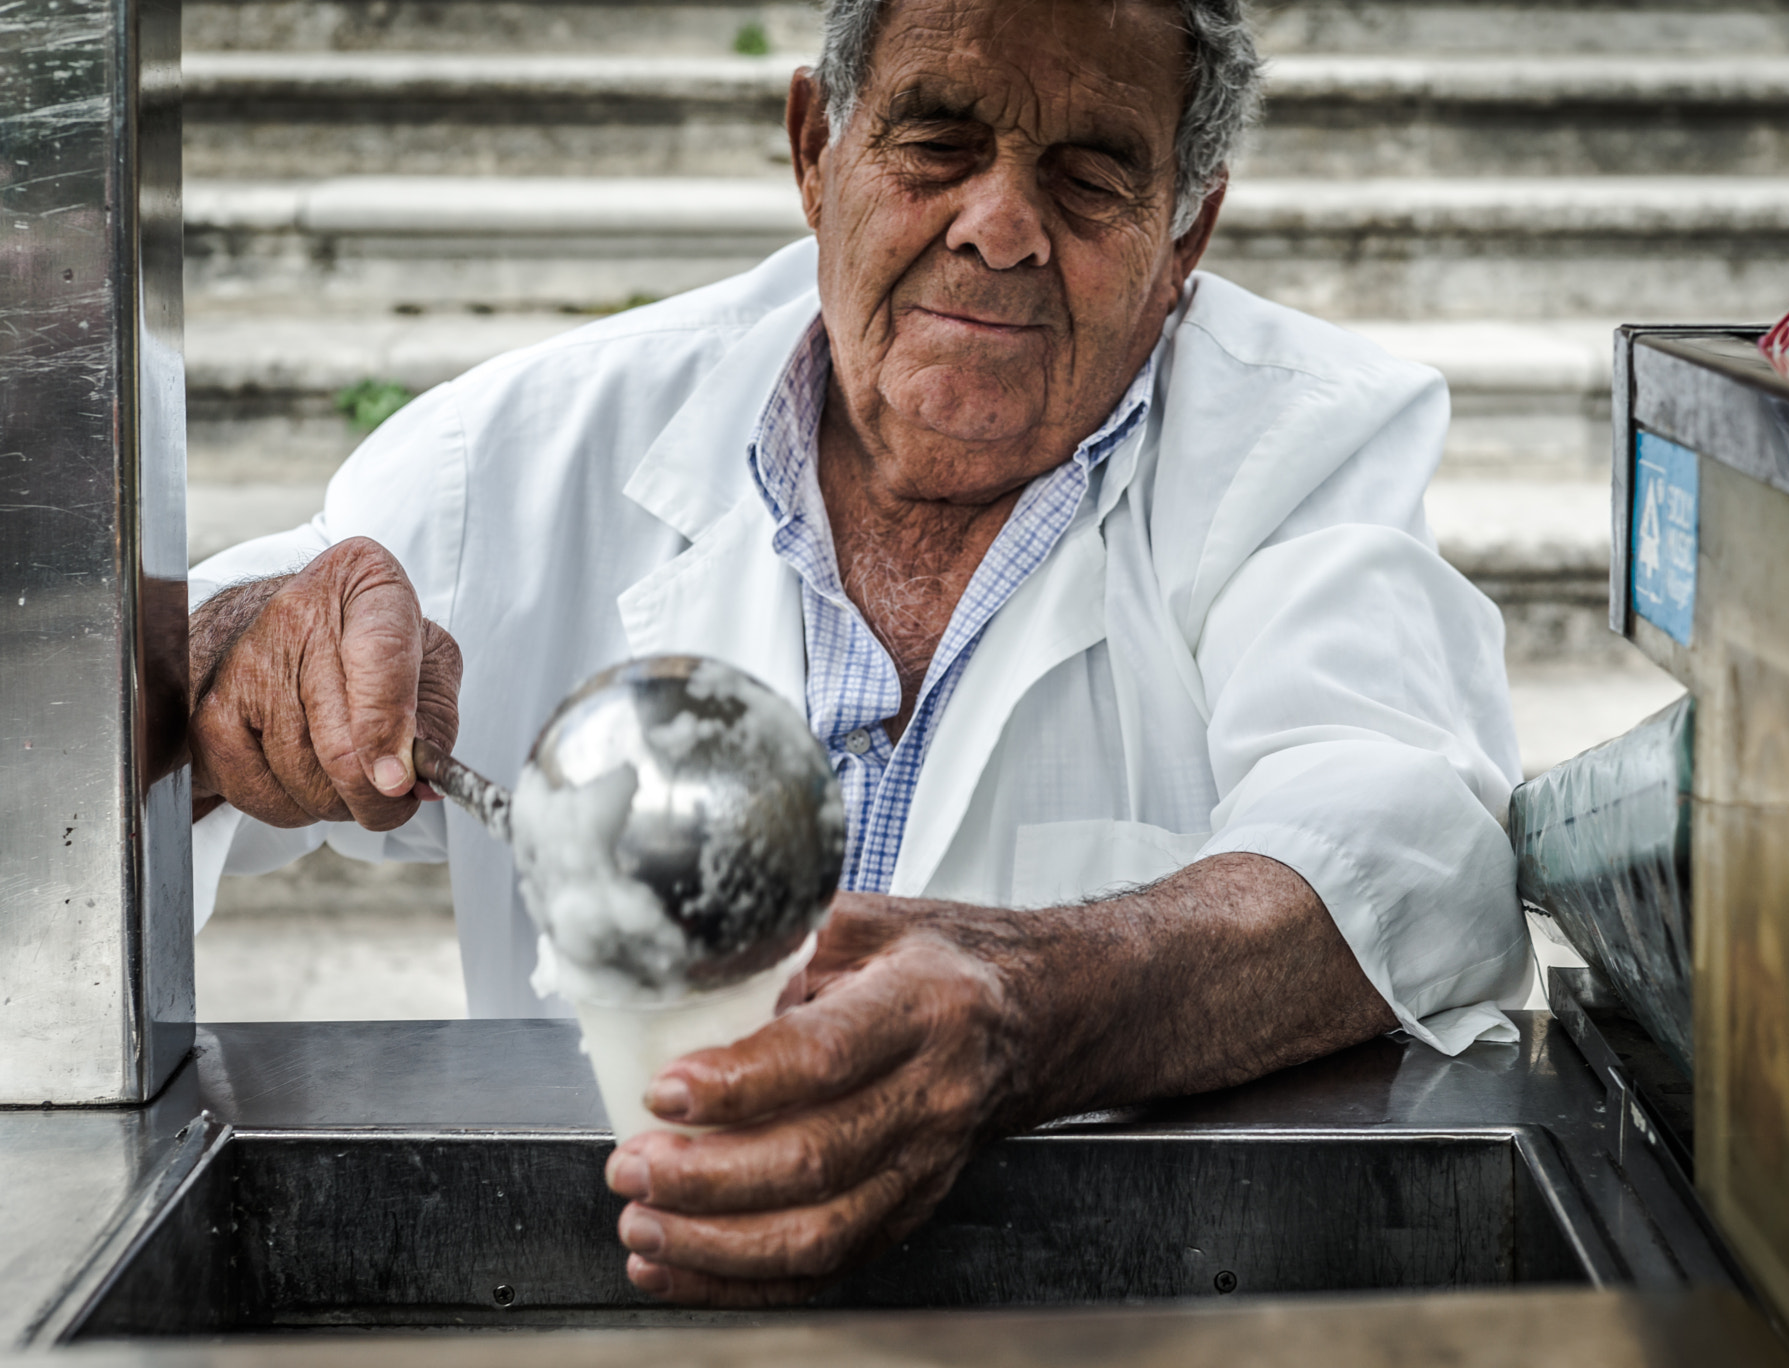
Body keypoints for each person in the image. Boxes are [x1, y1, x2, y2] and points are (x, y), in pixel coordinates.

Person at [186, 0, 1531, 1305]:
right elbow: (160, 699)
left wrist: (1047, 996)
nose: (1001, 227)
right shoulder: (521, 455)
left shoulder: (1302, 450)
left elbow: (1405, 835)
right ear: (814, 149)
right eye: (937, 140)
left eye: (1090, 175)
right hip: (589, 1285)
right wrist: (233, 667)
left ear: (1190, 231)